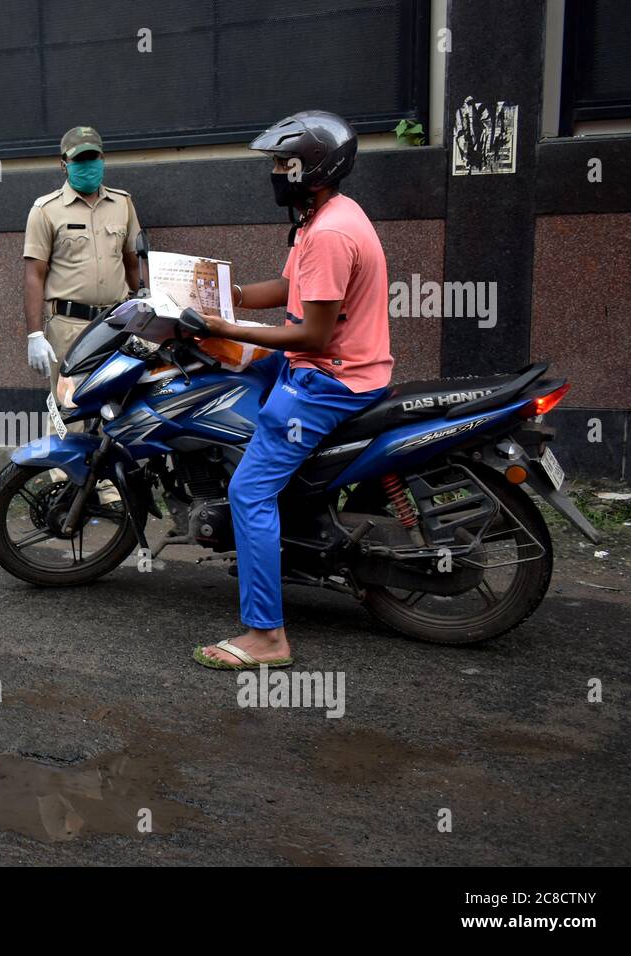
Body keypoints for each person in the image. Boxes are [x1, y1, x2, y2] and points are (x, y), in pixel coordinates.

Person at [192, 111, 393, 671]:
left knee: (249, 493)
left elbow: (313, 333)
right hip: (335, 365)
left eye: (283, 163)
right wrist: (223, 299)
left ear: (312, 167)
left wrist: (225, 328)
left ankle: (267, 636)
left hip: (328, 378)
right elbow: (288, 287)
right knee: (237, 372)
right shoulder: (323, 215)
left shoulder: (329, 232)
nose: (276, 172)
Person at [23, 126, 141, 399]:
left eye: (93, 157)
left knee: (114, 406)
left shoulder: (122, 203)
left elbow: (134, 264)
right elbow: (34, 276)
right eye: (79, 159)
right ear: (64, 164)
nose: (88, 165)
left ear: (103, 159)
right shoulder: (45, 210)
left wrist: (150, 312)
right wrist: (34, 335)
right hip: (68, 326)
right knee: (68, 408)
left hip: (115, 323)